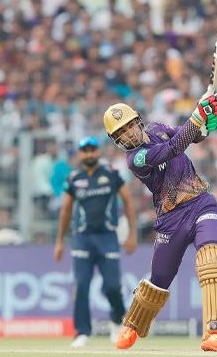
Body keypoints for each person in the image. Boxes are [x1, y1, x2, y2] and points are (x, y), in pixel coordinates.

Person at [102, 90, 217, 352]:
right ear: (116, 140)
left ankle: (215, 333)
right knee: (159, 279)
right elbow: (173, 149)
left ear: (138, 121)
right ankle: (133, 325)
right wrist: (197, 114)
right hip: (171, 218)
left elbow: (189, 136)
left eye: (129, 126)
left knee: (214, 260)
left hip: (200, 202)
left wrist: (205, 123)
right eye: (121, 133)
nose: (128, 134)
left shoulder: (157, 128)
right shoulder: (135, 159)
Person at [54, 136, 138, 347]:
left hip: (108, 237)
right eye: (85, 150)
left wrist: (132, 234)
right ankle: (82, 332)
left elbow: (128, 202)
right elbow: (65, 211)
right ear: (80, 154)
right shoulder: (73, 178)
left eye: (93, 150)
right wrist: (59, 242)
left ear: (98, 152)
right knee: (81, 285)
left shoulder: (111, 173)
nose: (89, 154)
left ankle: (117, 322)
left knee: (113, 286)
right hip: (82, 238)